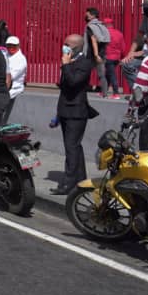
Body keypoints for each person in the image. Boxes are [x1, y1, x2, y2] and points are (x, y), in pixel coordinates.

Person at [51, 34, 96, 196]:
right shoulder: (71, 62)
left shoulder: (84, 63)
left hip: (76, 111)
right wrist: (57, 115)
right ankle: (80, 179)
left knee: (71, 147)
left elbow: (74, 82)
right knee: (74, 147)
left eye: (67, 44)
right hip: (65, 109)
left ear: (76, 47)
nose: (64, 47)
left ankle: (68, 184)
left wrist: (65, 65)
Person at [84, 8, 110, 97]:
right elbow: (106, 40)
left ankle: (82, 92)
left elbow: (94, 40)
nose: (86, 16)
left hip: (91, 55)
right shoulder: (102, 26)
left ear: (92, 16)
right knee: (102, 75)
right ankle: (105, 94)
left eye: (87, 15)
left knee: (85, 73)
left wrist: (96, 55)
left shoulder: (90, 26)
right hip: (102, 54)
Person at [3, 36, 27, 123]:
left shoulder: (21, 59)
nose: (11, 48)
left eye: (13, 46)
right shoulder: (5, 55)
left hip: (14, 88)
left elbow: (12, 76)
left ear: (18, 46)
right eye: (9, 46)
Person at [102, 17, 125, 99]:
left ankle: (116, 93)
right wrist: (122, 57)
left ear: (106, 24)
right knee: (108, 74)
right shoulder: (119, 33)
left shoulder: (104, 33)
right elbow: (123, 47)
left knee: (111, 75)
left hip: (108, 56)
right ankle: (104, 91)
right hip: (116, 57)